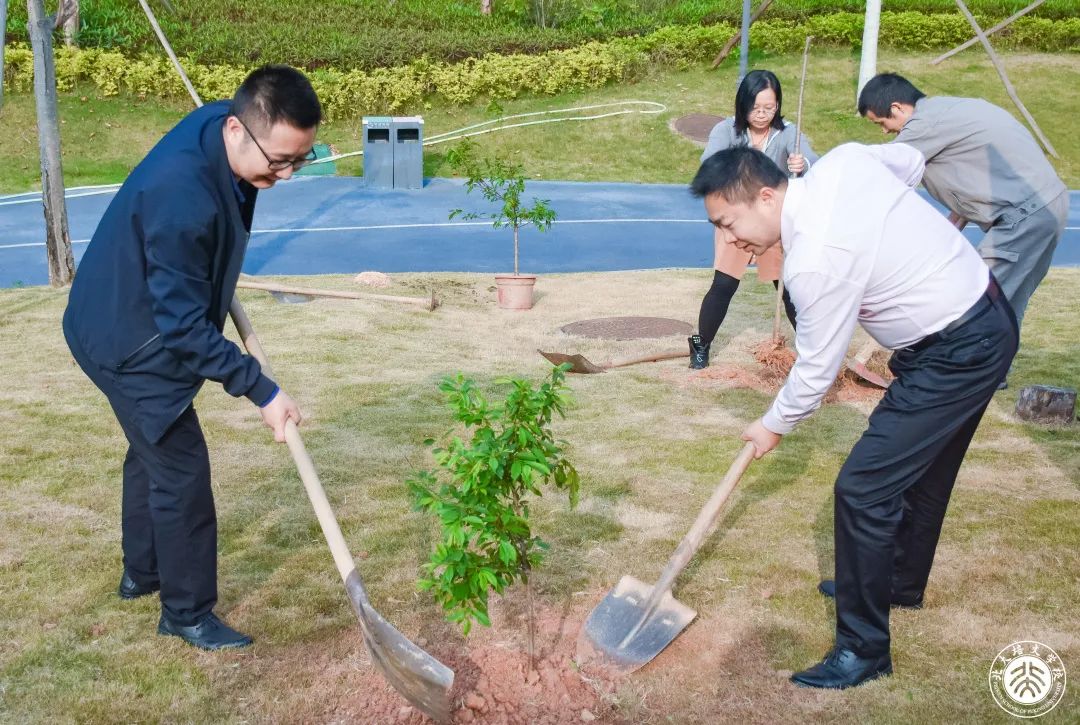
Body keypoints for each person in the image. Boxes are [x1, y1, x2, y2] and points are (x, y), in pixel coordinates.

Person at [690, 144, 1016, 689]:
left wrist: (770, 426)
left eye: (728, 222)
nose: (729, 239)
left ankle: (864, 650)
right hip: (977, 318)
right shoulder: (843, 163)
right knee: (925, 471)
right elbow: (911, 162)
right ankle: (898, 583)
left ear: (767, 196)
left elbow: (818, 371)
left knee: (864, 487)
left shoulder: (816, 258)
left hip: (960, 349)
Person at [63, 65, 322, 651]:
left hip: (124, 311)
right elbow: (182, 329)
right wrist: (263, 391)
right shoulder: (183, 199)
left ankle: (144, 573)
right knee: (181, 473)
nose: (283, 175)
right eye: (278, 161)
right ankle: (185, 611)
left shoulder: (218, 129)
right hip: (128, 340)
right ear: (237, 129)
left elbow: (233, 206)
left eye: (298, 160)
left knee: (149, 444)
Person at [858, 73, 1066, 381]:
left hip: (1024, 216)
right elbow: (967, 184)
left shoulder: (923, 126)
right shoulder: (949, 111)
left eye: (881, 123)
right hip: (1047, 207)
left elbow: (884, 173)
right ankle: (989, 376)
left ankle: (958, 378)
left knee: (973, 298)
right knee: (1005, 303)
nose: (886, 132)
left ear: (897, 108)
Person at [691, 69, 818, 369]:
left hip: (771, 226)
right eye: (755, 108)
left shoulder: (788, 132)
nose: (761, 114)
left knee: (787, 290)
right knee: (723, 285)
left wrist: (804, 163)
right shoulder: (726, 131)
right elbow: (710, 164)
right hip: (736, 221)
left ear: (778, 105)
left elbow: (814, 162)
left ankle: (814, 352)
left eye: (769, 108)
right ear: (742, 104)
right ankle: (700, 345)